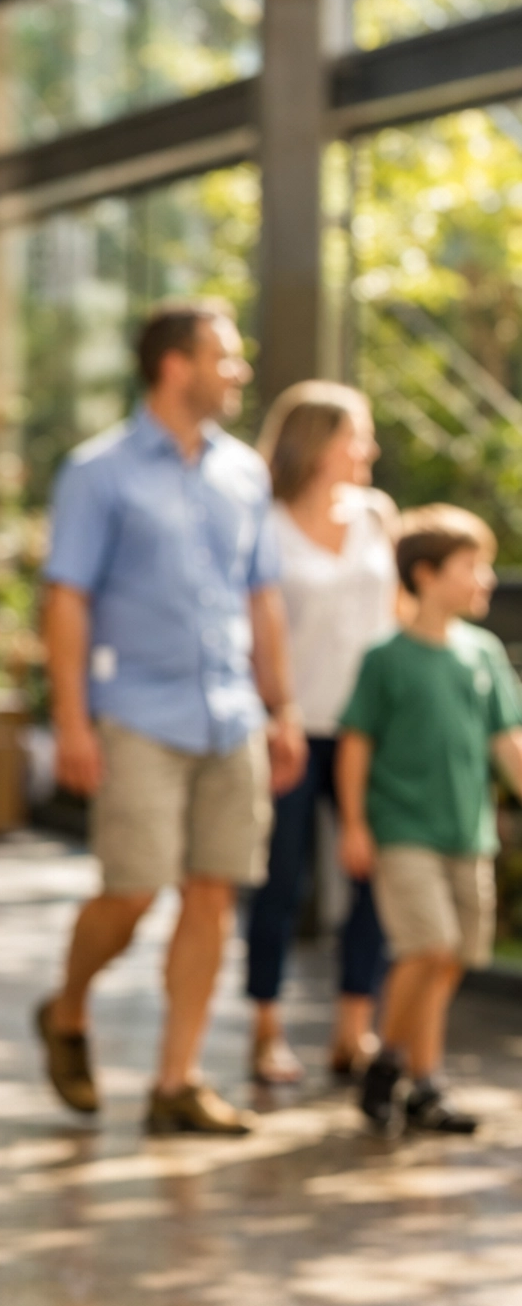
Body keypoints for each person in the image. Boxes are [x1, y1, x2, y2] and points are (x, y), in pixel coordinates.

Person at [35, 298, 306, 1135]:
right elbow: (68, 601)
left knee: (213, 893)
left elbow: (261, 596)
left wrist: (281, 704)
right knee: (134, 889)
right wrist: (73, 724)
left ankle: (175, 1082)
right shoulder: (98, 471)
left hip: (229, 712)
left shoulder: (243, 473)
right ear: (176, 365)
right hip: (136, 714)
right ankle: (68, 1009)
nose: (240, 372)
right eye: (225, 357)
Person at [339, 506, 522, 1134]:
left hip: (466, 832)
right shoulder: (386, 658)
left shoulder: (484, 652)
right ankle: (388, 1061)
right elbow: (356, 744)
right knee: (429, 944)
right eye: (470, 566)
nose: (485, 579)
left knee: (451, 961)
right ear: (426, 573)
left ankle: (423, 1081)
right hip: (402, 830)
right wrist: (357, 825)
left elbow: (507, 742)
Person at [245, 383, 397, 1085]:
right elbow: (254, 631)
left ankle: (353, 1031)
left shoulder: (376, 515)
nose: (368, 449)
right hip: (296, 730)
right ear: (315, 443)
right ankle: (266, 1028)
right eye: (355, 436)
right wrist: (275, 715)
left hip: (371, 731)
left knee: (377, 880)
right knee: (281, 880)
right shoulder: (265, 522)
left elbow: (396, 616)